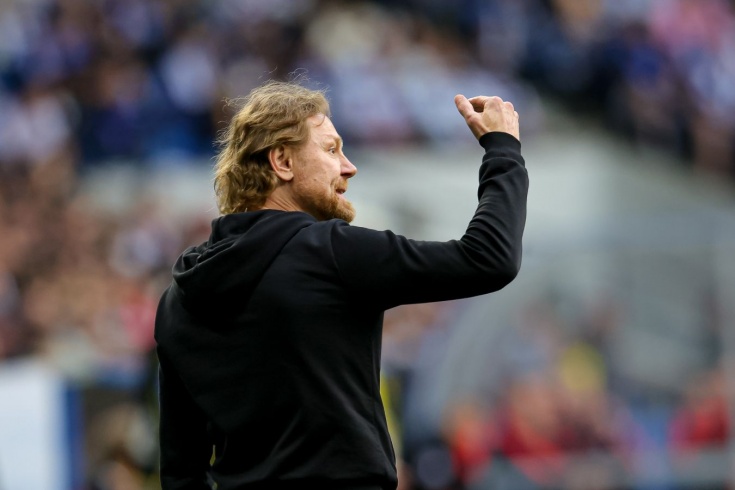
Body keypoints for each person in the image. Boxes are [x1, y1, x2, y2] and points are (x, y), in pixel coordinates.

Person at [154, 79, 528, 490]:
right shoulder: (330, 252)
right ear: (282, 161)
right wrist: (503, 149)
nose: (349, 167)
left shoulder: (179, 297)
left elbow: (180, 471)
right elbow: (488, 257)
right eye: (331, 150)